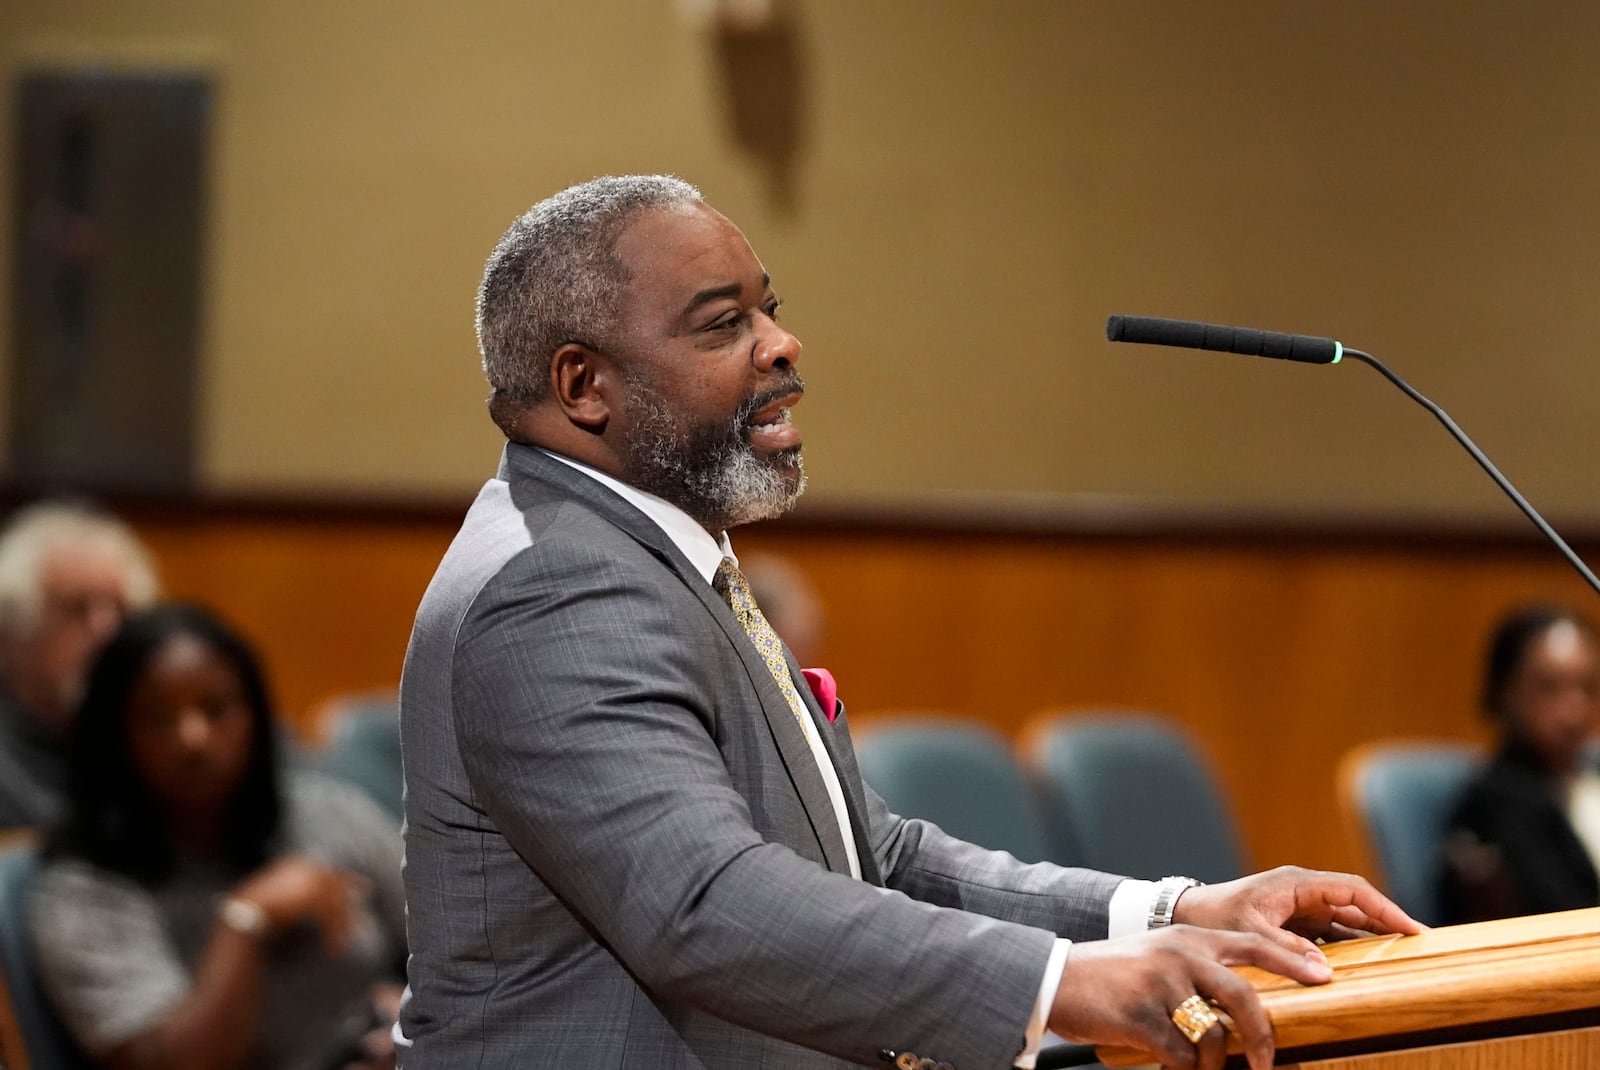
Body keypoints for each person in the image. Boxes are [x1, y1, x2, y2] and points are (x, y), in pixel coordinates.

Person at [398, 175, 1419, 1070]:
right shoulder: (557, 585)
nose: (781, 343)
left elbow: (873, 854)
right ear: (585, 385)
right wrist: (1059, 982)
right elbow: (701, 901)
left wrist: (1171, 910)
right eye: (722, 324)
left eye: (770, 309)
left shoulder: (649, 553)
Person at [29, 603, 408, 1070]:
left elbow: (461, 939)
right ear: (114, 735)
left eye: (216, 709)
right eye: (158, 717)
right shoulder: (85, 888)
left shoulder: (327, 812)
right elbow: (174, 1064)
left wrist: (415, 1010)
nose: (193, 738)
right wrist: (245, 920)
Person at [0, 499, 160, 831]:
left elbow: (292, 772)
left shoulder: (167, 718)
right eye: (76, 610)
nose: (107, 631)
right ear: (10, 633)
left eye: (121, 609)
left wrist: (299, 864)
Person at [1440, 604, 1600, 924]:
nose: (1573, 710)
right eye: (1549, 687)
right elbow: (1563, 912)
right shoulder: (1498, 799)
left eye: (1587, 687)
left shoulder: (1590, 773)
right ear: (1503, 691)